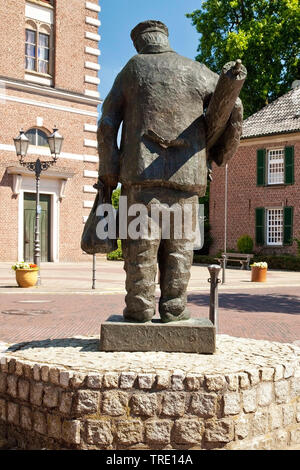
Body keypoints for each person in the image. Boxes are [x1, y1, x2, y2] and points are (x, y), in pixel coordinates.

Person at [97, 20, 243, 323]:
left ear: (141, 43)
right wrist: (217, 155)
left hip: (140, 180)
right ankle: (174, 307)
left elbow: (107, 123)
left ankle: (139, 308)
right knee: (179, 252)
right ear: (165, 38)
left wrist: (109, 172)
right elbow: (234, 107)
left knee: (140, 250)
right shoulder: (196, 69)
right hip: (186, 179)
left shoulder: (132, 69)